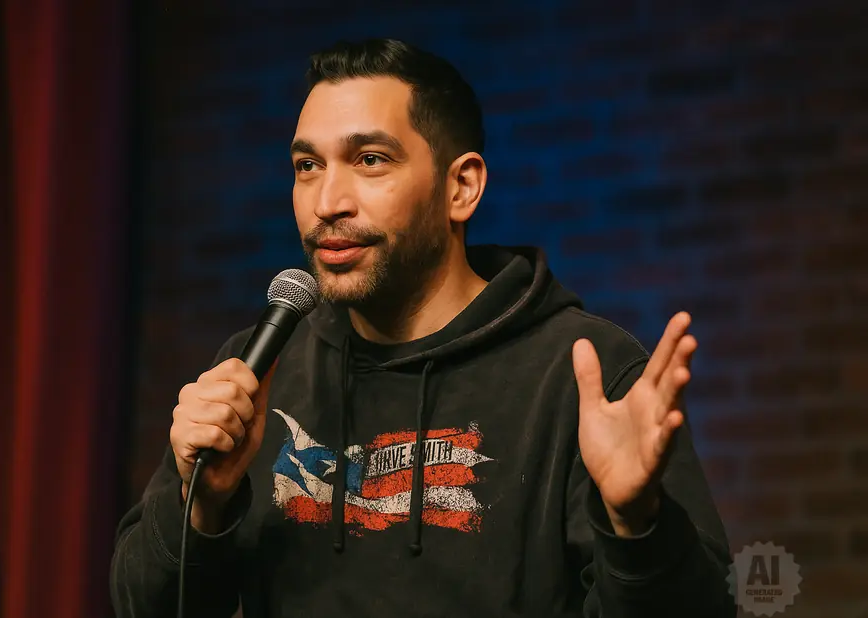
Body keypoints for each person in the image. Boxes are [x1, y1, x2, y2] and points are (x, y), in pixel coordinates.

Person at [110, 38, 736, 618]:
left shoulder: (584, 374)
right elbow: (143, 605)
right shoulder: (261, 369)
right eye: (307, 166)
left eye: (370, 160)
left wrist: (637, 525)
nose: (328, 201)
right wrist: (203, 503)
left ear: (460, 187)